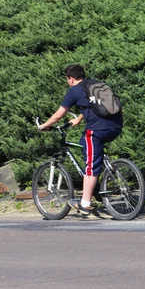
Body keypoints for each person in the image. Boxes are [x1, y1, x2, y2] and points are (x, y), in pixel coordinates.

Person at [38, 64, 123, 215]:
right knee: (86, 144)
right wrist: (78, 119)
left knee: (90, 165)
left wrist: (44, 126)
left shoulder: (74, 91)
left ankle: (85, 204)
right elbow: (92, 106)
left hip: (96, 130)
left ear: (70, 78)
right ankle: (96, 188)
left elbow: (59, 115)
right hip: (115, 126)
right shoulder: (95, 85)